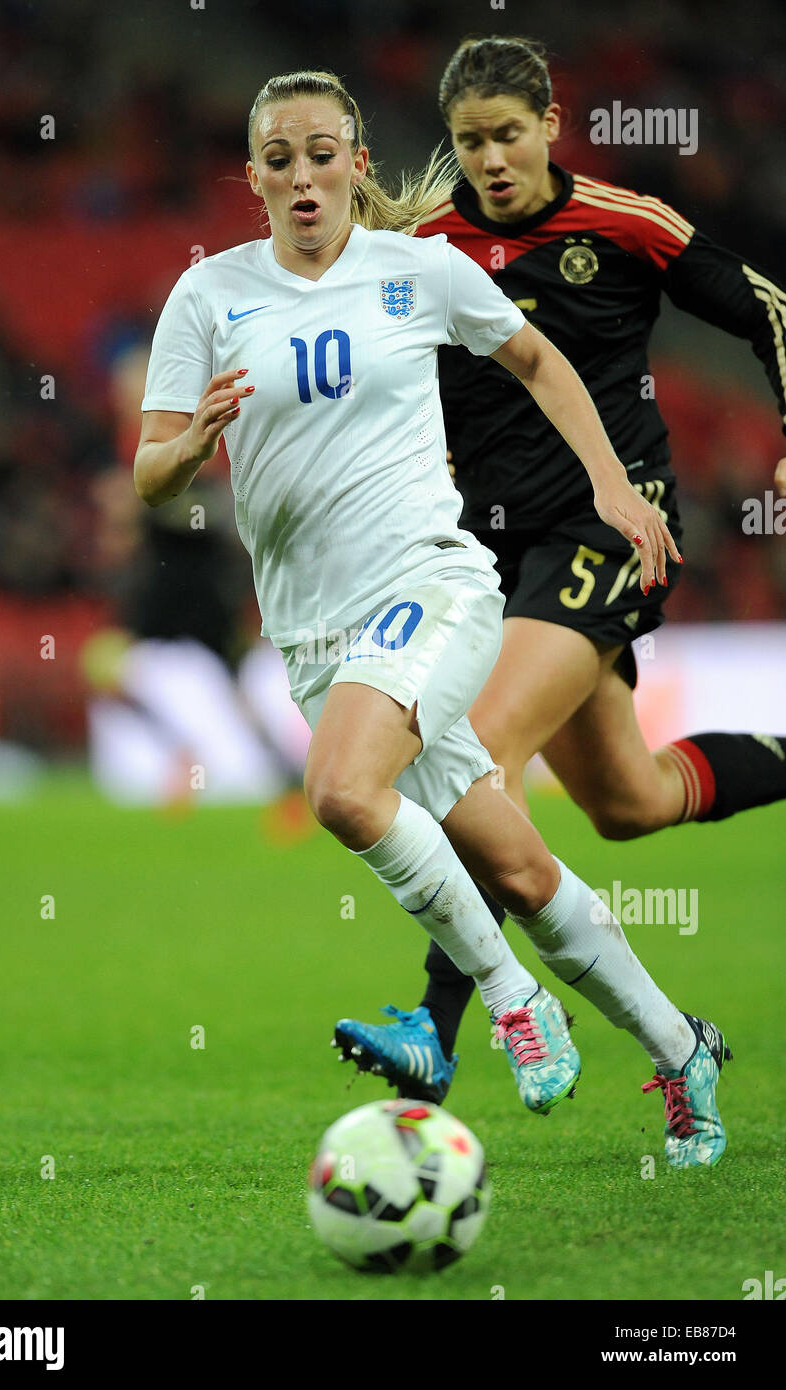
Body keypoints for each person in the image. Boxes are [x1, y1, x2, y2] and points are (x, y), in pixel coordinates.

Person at [135, 69, 728, 1169]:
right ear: (254, 177)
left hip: (433, 588)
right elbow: (150, 480)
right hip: (311, 636)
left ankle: (511, 1003)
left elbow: (537, 358)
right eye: (279, 158)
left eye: (323, 152)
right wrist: (187, 447)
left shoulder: (421, 270)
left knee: (343, 791)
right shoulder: (209, 298)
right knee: (521, 871)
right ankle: (680, 1046)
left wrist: (606, 480)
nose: (302, 176)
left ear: (359, 164)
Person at [334, 35, 784, 1136]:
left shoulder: (626, 224)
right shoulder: (427, 248)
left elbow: (767, 303)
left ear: (550, 122)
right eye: (468, 141)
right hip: (490, 557)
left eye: (506, 134)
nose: (490, 159)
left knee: (477, 754)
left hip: (608, 527)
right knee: (626, 802)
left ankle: (438, 1028)